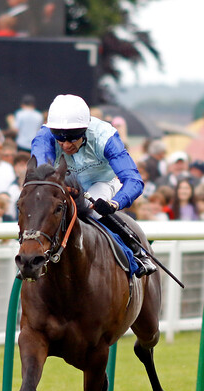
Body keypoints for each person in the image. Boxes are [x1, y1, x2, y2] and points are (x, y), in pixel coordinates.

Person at [30, 94, 156, 277]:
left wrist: (114, 203)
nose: (65, 145)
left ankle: (135, 253)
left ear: (85, 129)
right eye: (59, 137)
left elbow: (133, 181)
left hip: (102, 182)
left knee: (93, 210)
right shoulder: (44, 137)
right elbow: (41, 176)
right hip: (63, 184)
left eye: (72, 137)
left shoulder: (105, 137)